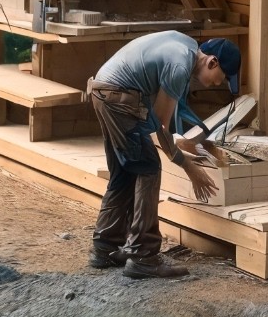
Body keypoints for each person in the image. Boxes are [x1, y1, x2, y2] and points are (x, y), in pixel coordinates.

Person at [85, 31, 240, 278]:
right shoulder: (180, 66)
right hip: (119, 97)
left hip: (103, 91)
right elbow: (161, 126)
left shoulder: (186, 46)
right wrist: (188, 167)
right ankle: (143, 256)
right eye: (221, 78)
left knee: (125, 172)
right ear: (212, 62)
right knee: (148, 167)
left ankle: (105, 248)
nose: (217, 84)